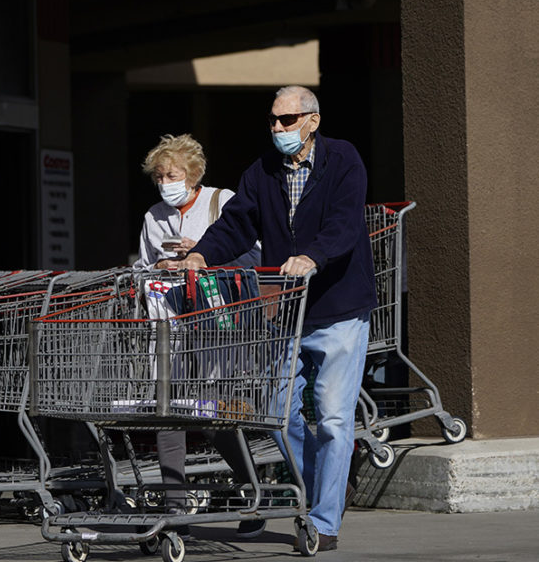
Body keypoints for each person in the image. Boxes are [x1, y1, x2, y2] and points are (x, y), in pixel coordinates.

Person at [178, 86, 376, 552]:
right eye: (273, 120)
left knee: (331, 418)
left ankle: (324, 522)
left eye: (288, 120)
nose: (278, 129)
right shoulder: (262, 173)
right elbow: (236, 223)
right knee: (278, 413)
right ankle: (328, 484)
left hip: (339, 308)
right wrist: (201, 255)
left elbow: (345, 223)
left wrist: (313, 256)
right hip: (289, 311)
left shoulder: (343, 160)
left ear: (313, 121)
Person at [132, 133, 265, 539]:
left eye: (171, 174)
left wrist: (201, 253)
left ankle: (254, 492)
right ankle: (176, 509)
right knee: (168, 412)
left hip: (218, 326)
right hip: (170, 325)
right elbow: (141, 266)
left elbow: (255, 256)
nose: (165, 182)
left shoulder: (221, 203)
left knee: (216, 417)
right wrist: (156, 270)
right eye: (159, 176)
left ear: (192, 174)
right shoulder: (154, 217)